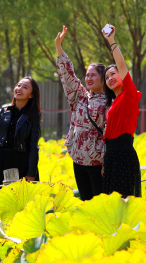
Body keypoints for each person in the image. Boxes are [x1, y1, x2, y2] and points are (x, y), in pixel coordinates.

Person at [55, 25, 107, 201]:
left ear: (103, 79)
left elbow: (110, 133)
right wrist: (59, 48)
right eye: (87, 75)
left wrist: (106, 163)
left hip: (97, 163)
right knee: (85, 203)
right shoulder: (80, 97)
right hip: (78, 160)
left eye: (93, 75)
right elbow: (68, 76)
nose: (89, 78)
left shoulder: (109, 103)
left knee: (99, 206)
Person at [101, 24, 142, 198]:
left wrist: (111, 40)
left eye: (113, 74)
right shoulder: (113, 103)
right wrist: (105, 162)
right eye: (107, 77)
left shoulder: (129, 95)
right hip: (111, 156)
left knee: (125, 204)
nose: (110, 78)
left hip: (124, 155)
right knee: (111, 207)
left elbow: (122, 64)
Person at [0, 76, 42, 186]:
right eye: (18, 85)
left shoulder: (34, 116)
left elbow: (33, 146)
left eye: (25, 87)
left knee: (23, 199)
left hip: (23, 163)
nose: (19, 89)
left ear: (31, 95)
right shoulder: (4, 111)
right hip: (4, 162)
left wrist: (31, 173)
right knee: (4, 198)